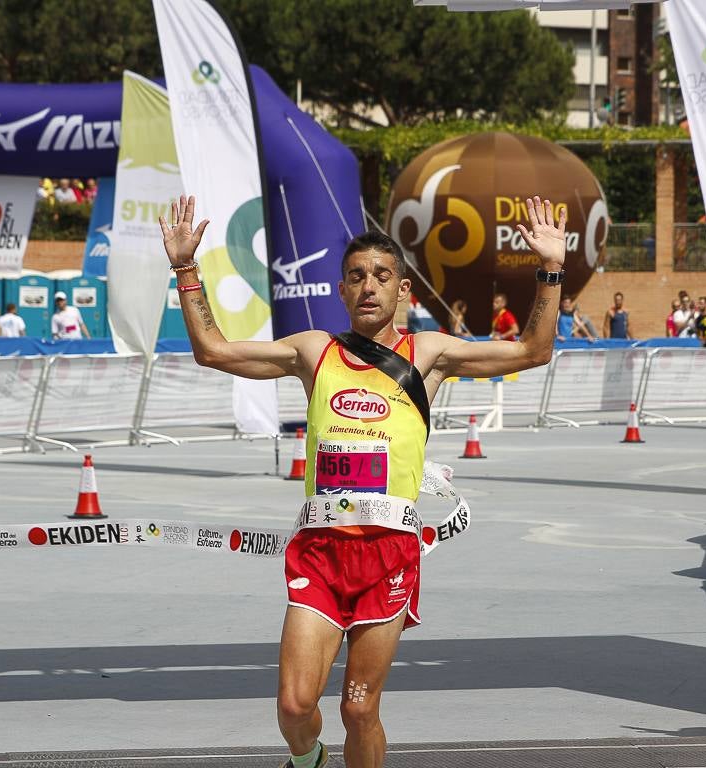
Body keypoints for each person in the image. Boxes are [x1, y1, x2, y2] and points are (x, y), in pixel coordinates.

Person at [160, 193, 565, 768]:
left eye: (381, 275)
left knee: (358, 708)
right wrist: (185, 268)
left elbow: (534, 350)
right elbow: (213, 351)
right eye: (356, 276)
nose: (368, 285)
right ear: (341, 290)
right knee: (295, 707)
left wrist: (550, 267)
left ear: (404, 291)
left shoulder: (428, 353)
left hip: (389, 556)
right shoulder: (314, 351)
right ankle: (310, 760)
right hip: (320, 554)